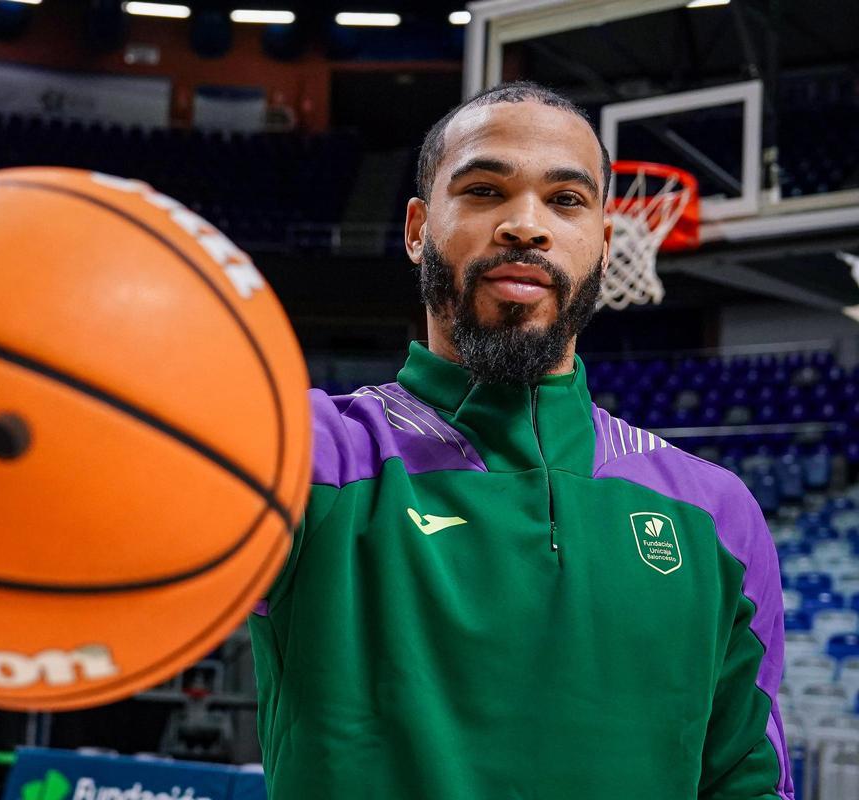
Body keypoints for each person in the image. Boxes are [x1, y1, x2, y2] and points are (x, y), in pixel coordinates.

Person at [248, 81, 792, 799]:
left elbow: (747, 781)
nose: (525, 226)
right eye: (483, 191)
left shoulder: (716, 513)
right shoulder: (303, 453)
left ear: (605, 245)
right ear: (417, 229)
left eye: (565, 200)